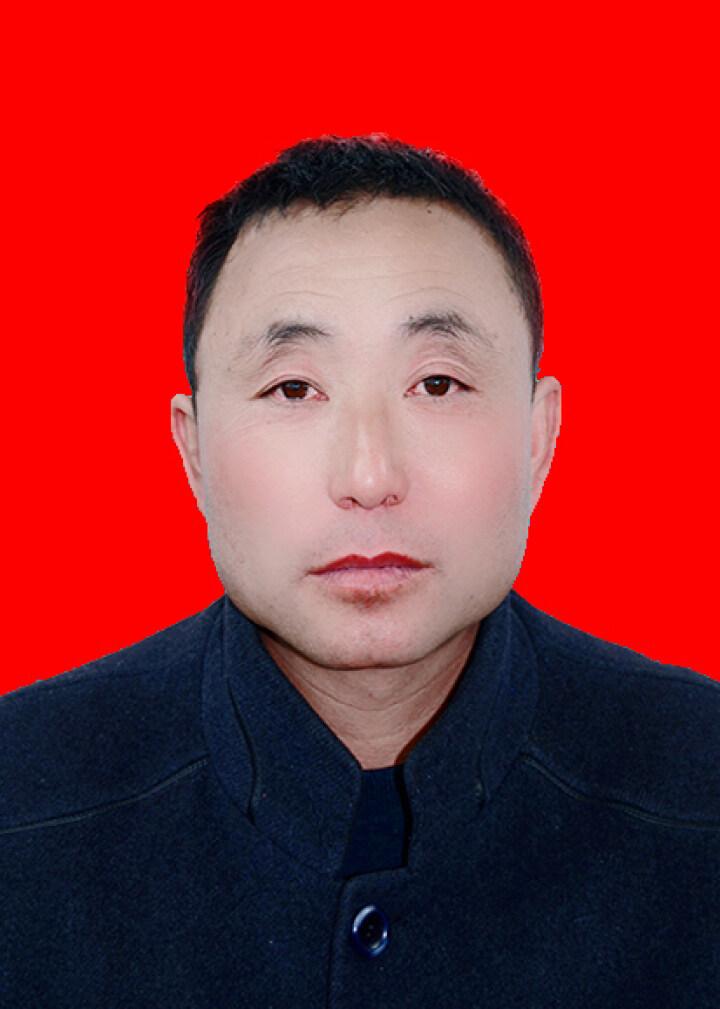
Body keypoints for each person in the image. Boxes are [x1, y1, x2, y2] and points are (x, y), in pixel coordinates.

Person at [1, 134, 718, 1007]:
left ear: (539, 439)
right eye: (294, 389)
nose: (369, 476)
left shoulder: (699, 784)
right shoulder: (21, 801)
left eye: (438, 384)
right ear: (192, 452)